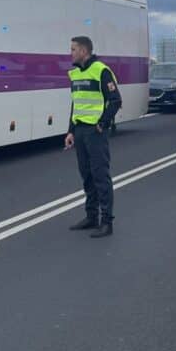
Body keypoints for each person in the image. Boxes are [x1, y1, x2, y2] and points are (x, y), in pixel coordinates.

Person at [64, 36, 121, 238]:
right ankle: (91, 217)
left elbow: (115, 100)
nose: (70, 53)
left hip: (95, 132)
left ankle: (107, 222)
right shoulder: (75, 74)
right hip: (80, 131)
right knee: (86, 175)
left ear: (84, 51)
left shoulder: (101, 71)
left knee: (100, 176)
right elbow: (76, 104)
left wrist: (102, 123)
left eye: (73, 49)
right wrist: (70, 131)